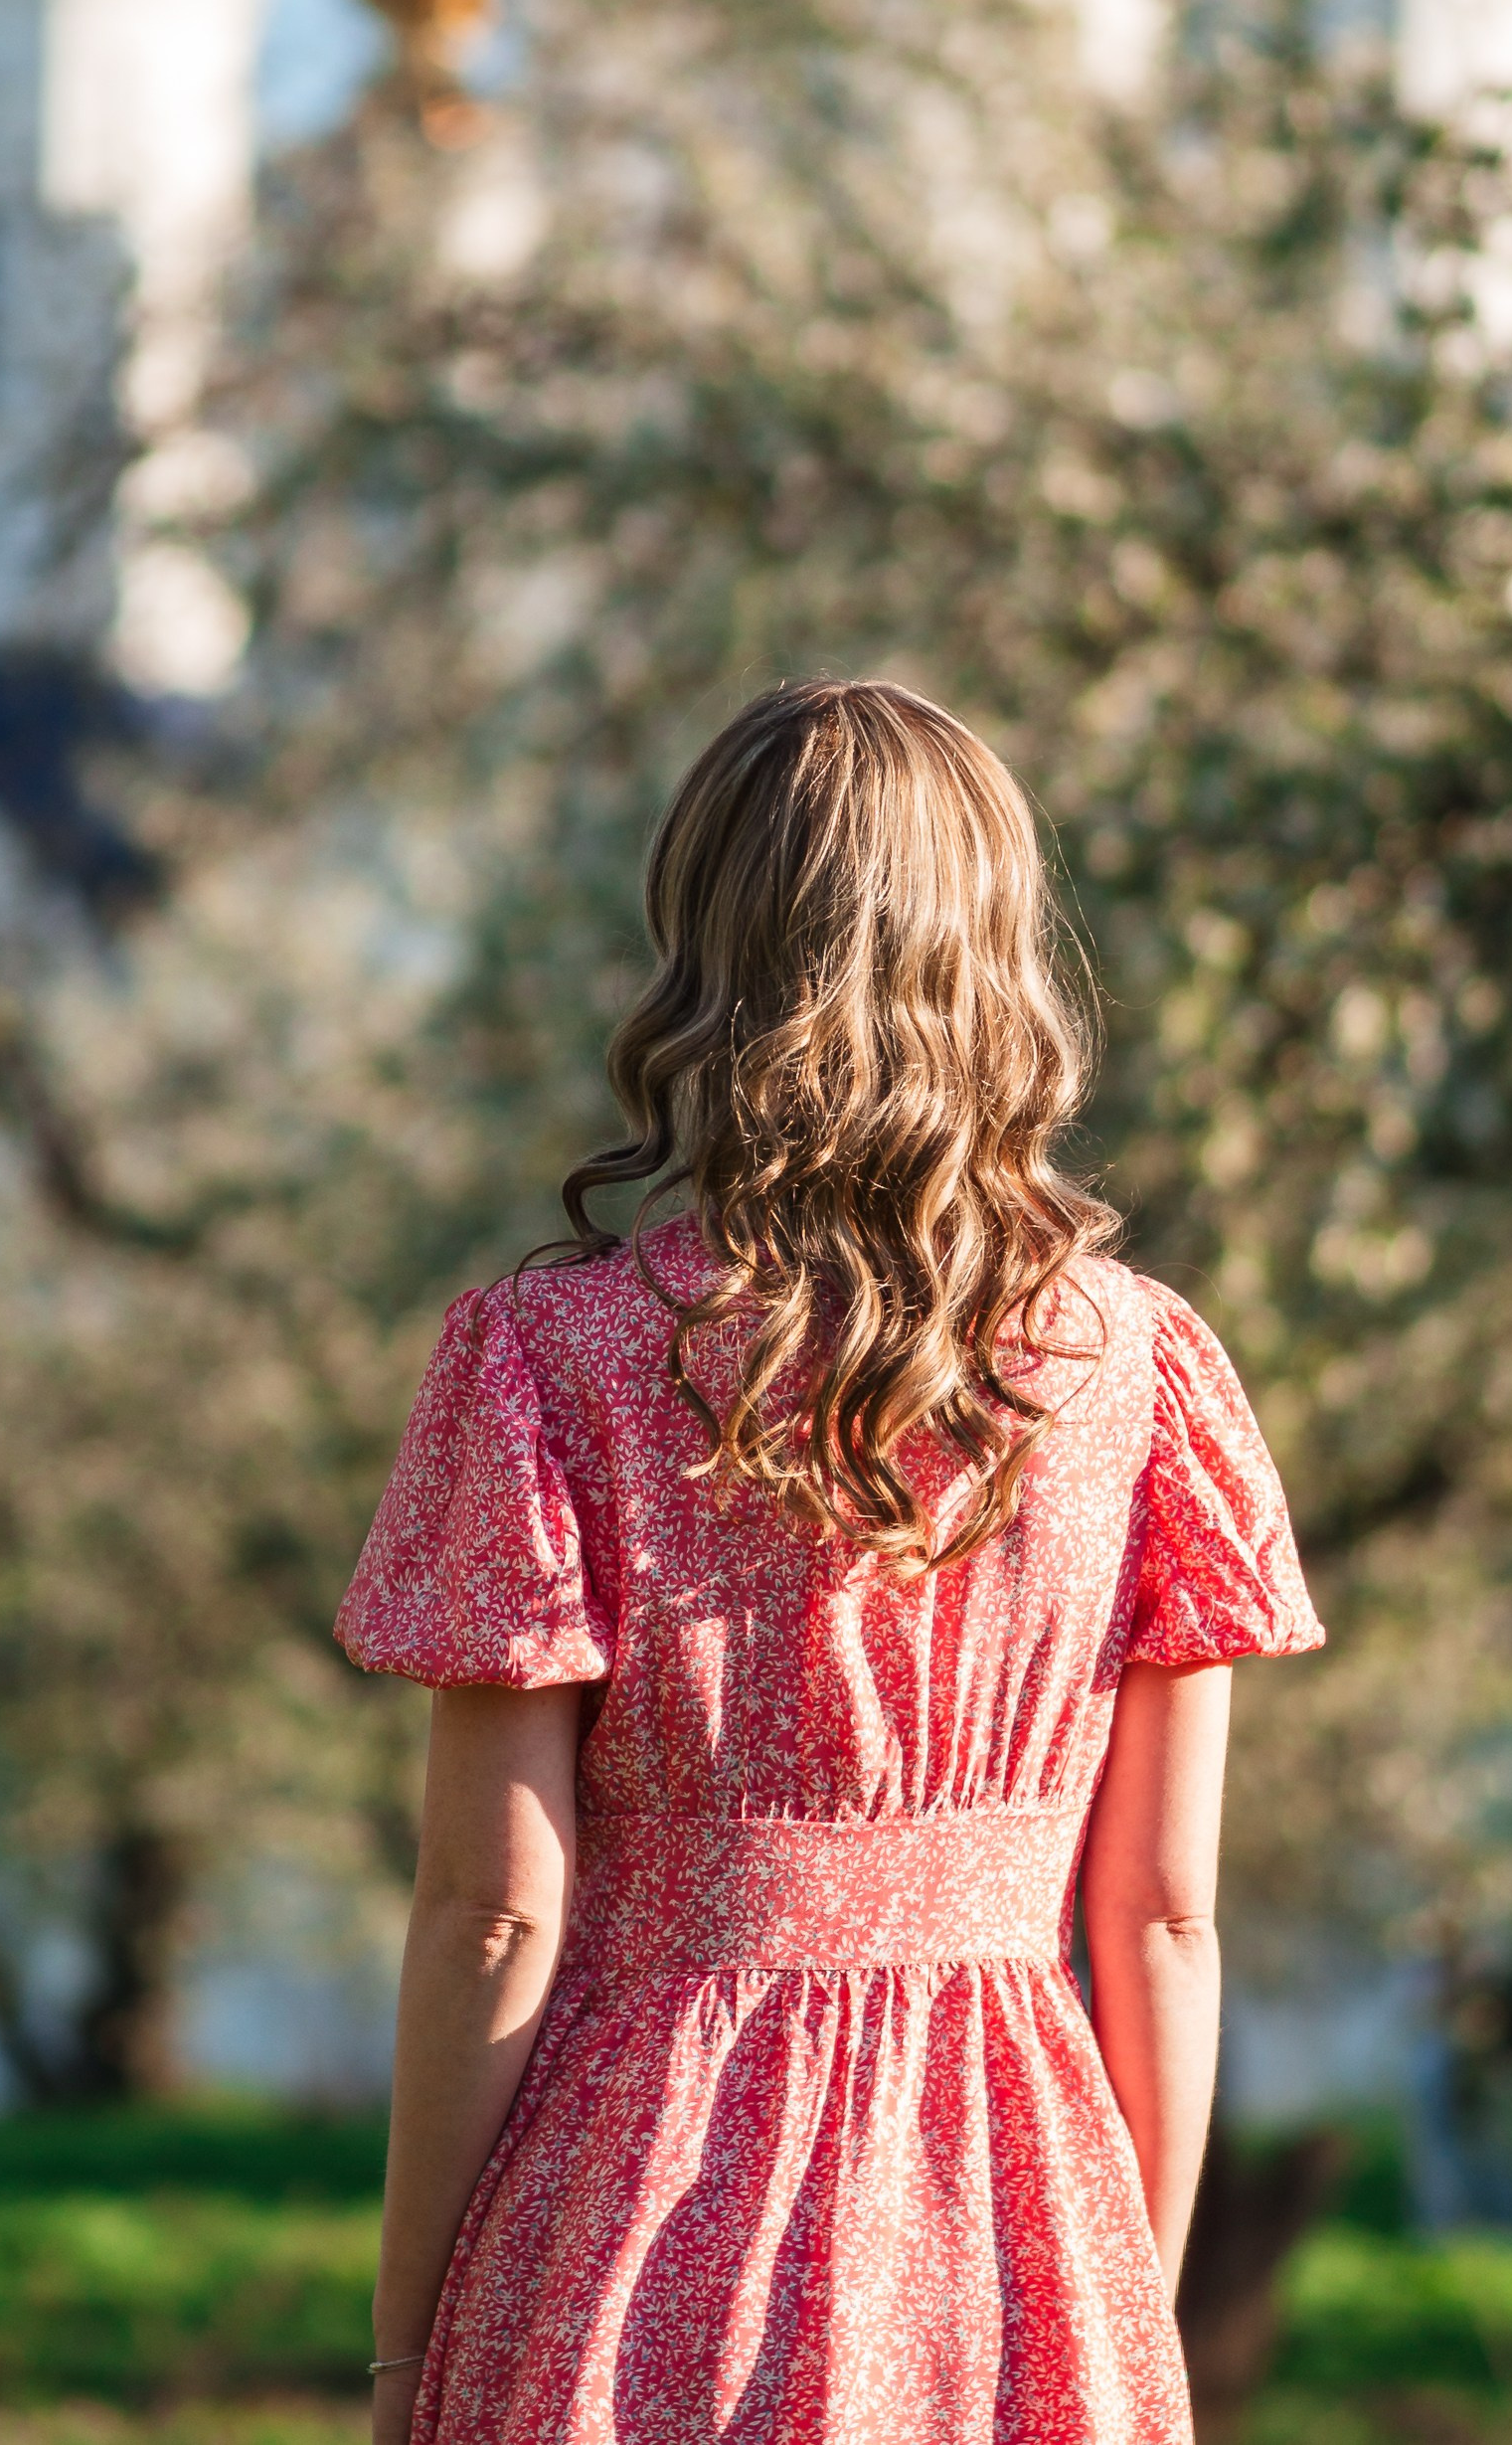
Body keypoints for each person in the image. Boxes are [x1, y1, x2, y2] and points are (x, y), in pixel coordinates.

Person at [337, 680, 1322, 2445]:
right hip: (1011, 2225)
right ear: (995, 952)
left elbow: (491, 1915)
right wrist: (1125, 2327)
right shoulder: (1145, 1370)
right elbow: (1161, 1918)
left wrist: (411, 2358)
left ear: (700, 944)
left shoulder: (545, 1359)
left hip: (625, 2232)